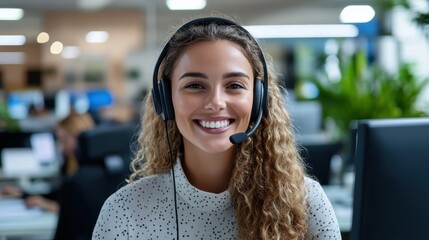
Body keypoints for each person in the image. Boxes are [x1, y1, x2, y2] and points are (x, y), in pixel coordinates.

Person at [92, 16, 341, 239]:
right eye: (195, 86)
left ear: (258, 100)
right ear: (166, 100)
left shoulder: (306, 202)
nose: (215, 103)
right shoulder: (124, 213)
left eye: (234, 85)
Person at [0, 112, 95, 213]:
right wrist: (22, 194)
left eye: (64, 139)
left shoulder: (91, 171)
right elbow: (59, 195)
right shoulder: (70, 162)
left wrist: (50, 206)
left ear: (80, 138)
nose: (62, 147)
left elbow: (84, 210)